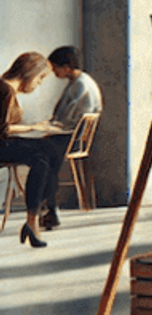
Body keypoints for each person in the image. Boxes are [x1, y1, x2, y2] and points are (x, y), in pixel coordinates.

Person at [37, 46, 104, 229]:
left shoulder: (80, 85)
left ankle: (49, 209)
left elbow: (65, 119)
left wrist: (47, 127)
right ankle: (48, 207)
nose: (53, 72)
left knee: (42, 156)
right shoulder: (82, 81)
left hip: (71, 139)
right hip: (75, 138)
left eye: (55, 68)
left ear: (66, 67)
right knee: (44, 152)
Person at [0, 52, 55, 248]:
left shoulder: (6, 88)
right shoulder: (5, 90)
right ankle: (33, 221)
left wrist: (33, 128)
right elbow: (2, 131)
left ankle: (34, 220)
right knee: (42, 154)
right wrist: (33, 129)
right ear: (30, 73)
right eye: (39, 79)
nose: (38, 85)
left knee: (43, 153)